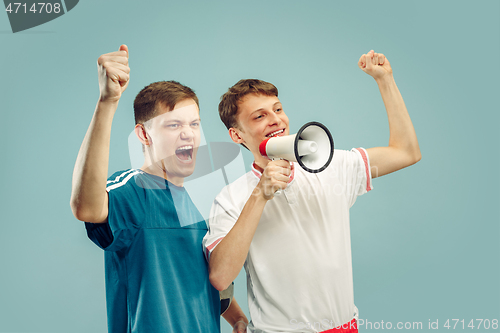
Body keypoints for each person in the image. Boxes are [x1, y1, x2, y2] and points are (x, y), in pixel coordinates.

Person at [203, 50, 421, 332]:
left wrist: (385, 80)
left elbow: (406, 152)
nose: (275, 119)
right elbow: (220, 277)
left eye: (278, 109)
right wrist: (260, 195)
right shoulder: (230, 198)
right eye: (259, 116)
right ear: (237, 135)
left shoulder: (332, 165)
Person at [70, 45, 248, 333]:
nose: (188, 132)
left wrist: (237, 316)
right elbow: (86, 208)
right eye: (173, 124)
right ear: (143, 134)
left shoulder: (204, 200)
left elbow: (199, 276)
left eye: (194, 123)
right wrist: (107, 102)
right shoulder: (131, 191)